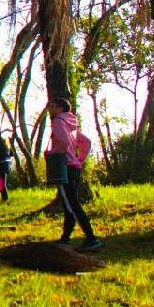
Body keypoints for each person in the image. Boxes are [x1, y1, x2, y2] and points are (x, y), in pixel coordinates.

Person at [46, 99, 102, 251]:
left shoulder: (58, 121)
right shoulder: (71, 124)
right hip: (74, 167)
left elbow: (63, 141)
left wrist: (53, 153)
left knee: (72, 204)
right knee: (68, 203)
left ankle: (92, 239)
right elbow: (87, 142)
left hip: (64, 166)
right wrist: (79, 160)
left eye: (51, 106)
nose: (49, 109)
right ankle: (65, 239)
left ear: (60, 108)